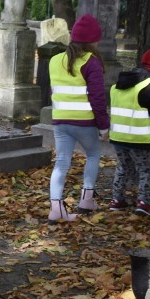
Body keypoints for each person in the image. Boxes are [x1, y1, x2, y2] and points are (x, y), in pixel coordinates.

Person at [47, 14, 110, 222]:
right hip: (84, 122)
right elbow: (98, 98)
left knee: (61, 163)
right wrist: (103, 126)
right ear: (91, 41)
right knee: (92, 155)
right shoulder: (91, 63)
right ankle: (86, 199)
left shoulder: (55, 60)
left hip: (60, 121)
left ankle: (56, 209)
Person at [108, 48, 150, 218]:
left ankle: (117, 199)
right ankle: (143, 202)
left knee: (122, 167)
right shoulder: (149, 86)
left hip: (118, 137)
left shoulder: (117, 85)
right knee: (145, 170)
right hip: (139, 138)